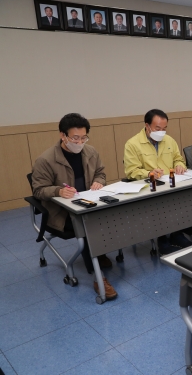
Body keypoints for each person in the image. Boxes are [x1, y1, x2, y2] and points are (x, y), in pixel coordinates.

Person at [31, 113, 117, 300]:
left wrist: (99, 181)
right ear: (63, 135)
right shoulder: (46, 160)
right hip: (62, 213)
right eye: (75, 138)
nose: (80, 142)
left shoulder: (91, 152)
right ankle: (98, 277)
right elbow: (38, 190)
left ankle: (98, 253)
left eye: (84, 137)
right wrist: (58, 191)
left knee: (112, 215)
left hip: (90, 204)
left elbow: (101, 173)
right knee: (87, 227)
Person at [124, 109, 192, 254]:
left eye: (164, 128)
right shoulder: (133, 144)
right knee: (161, 203)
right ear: (147, 126)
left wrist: (180, 165)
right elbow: (131, 171)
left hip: (170, 184)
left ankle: (177, 234)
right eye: (157, 128)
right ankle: (163, 239)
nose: (162, 132)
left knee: (188, 197)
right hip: (150, 188)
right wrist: (149, 173)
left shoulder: (169, 140)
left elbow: (178, 159)